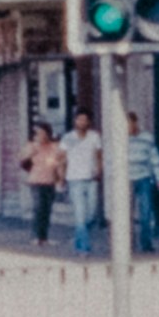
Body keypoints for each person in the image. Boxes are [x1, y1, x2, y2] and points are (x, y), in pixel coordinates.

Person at [63, 110, 111, 256]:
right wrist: (60, 177)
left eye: (85, 120)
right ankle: (83, 248)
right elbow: (62, 158)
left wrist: (99, 170)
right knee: (80, 215)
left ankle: (78, 238)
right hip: (74, 179)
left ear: (88, 122)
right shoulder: (68, 138)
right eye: (79, 119)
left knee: (91, 214)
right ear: (75, 121)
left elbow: (99, 155)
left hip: (91, 180)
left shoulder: (94, 136)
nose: (82, 122)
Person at [19, 120, 63, 247]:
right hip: (36, 181)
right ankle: (35, 236)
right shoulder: (31, 145)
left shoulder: (54, 147)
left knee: (46, 210)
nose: (40, 136)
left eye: (42, 133)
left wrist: (60, 179)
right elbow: (21, 160)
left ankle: (44, 237)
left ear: (48, 133)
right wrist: (32, 152)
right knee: (38, 208)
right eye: (37, 133)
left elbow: (58, 164)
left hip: (50, 181)